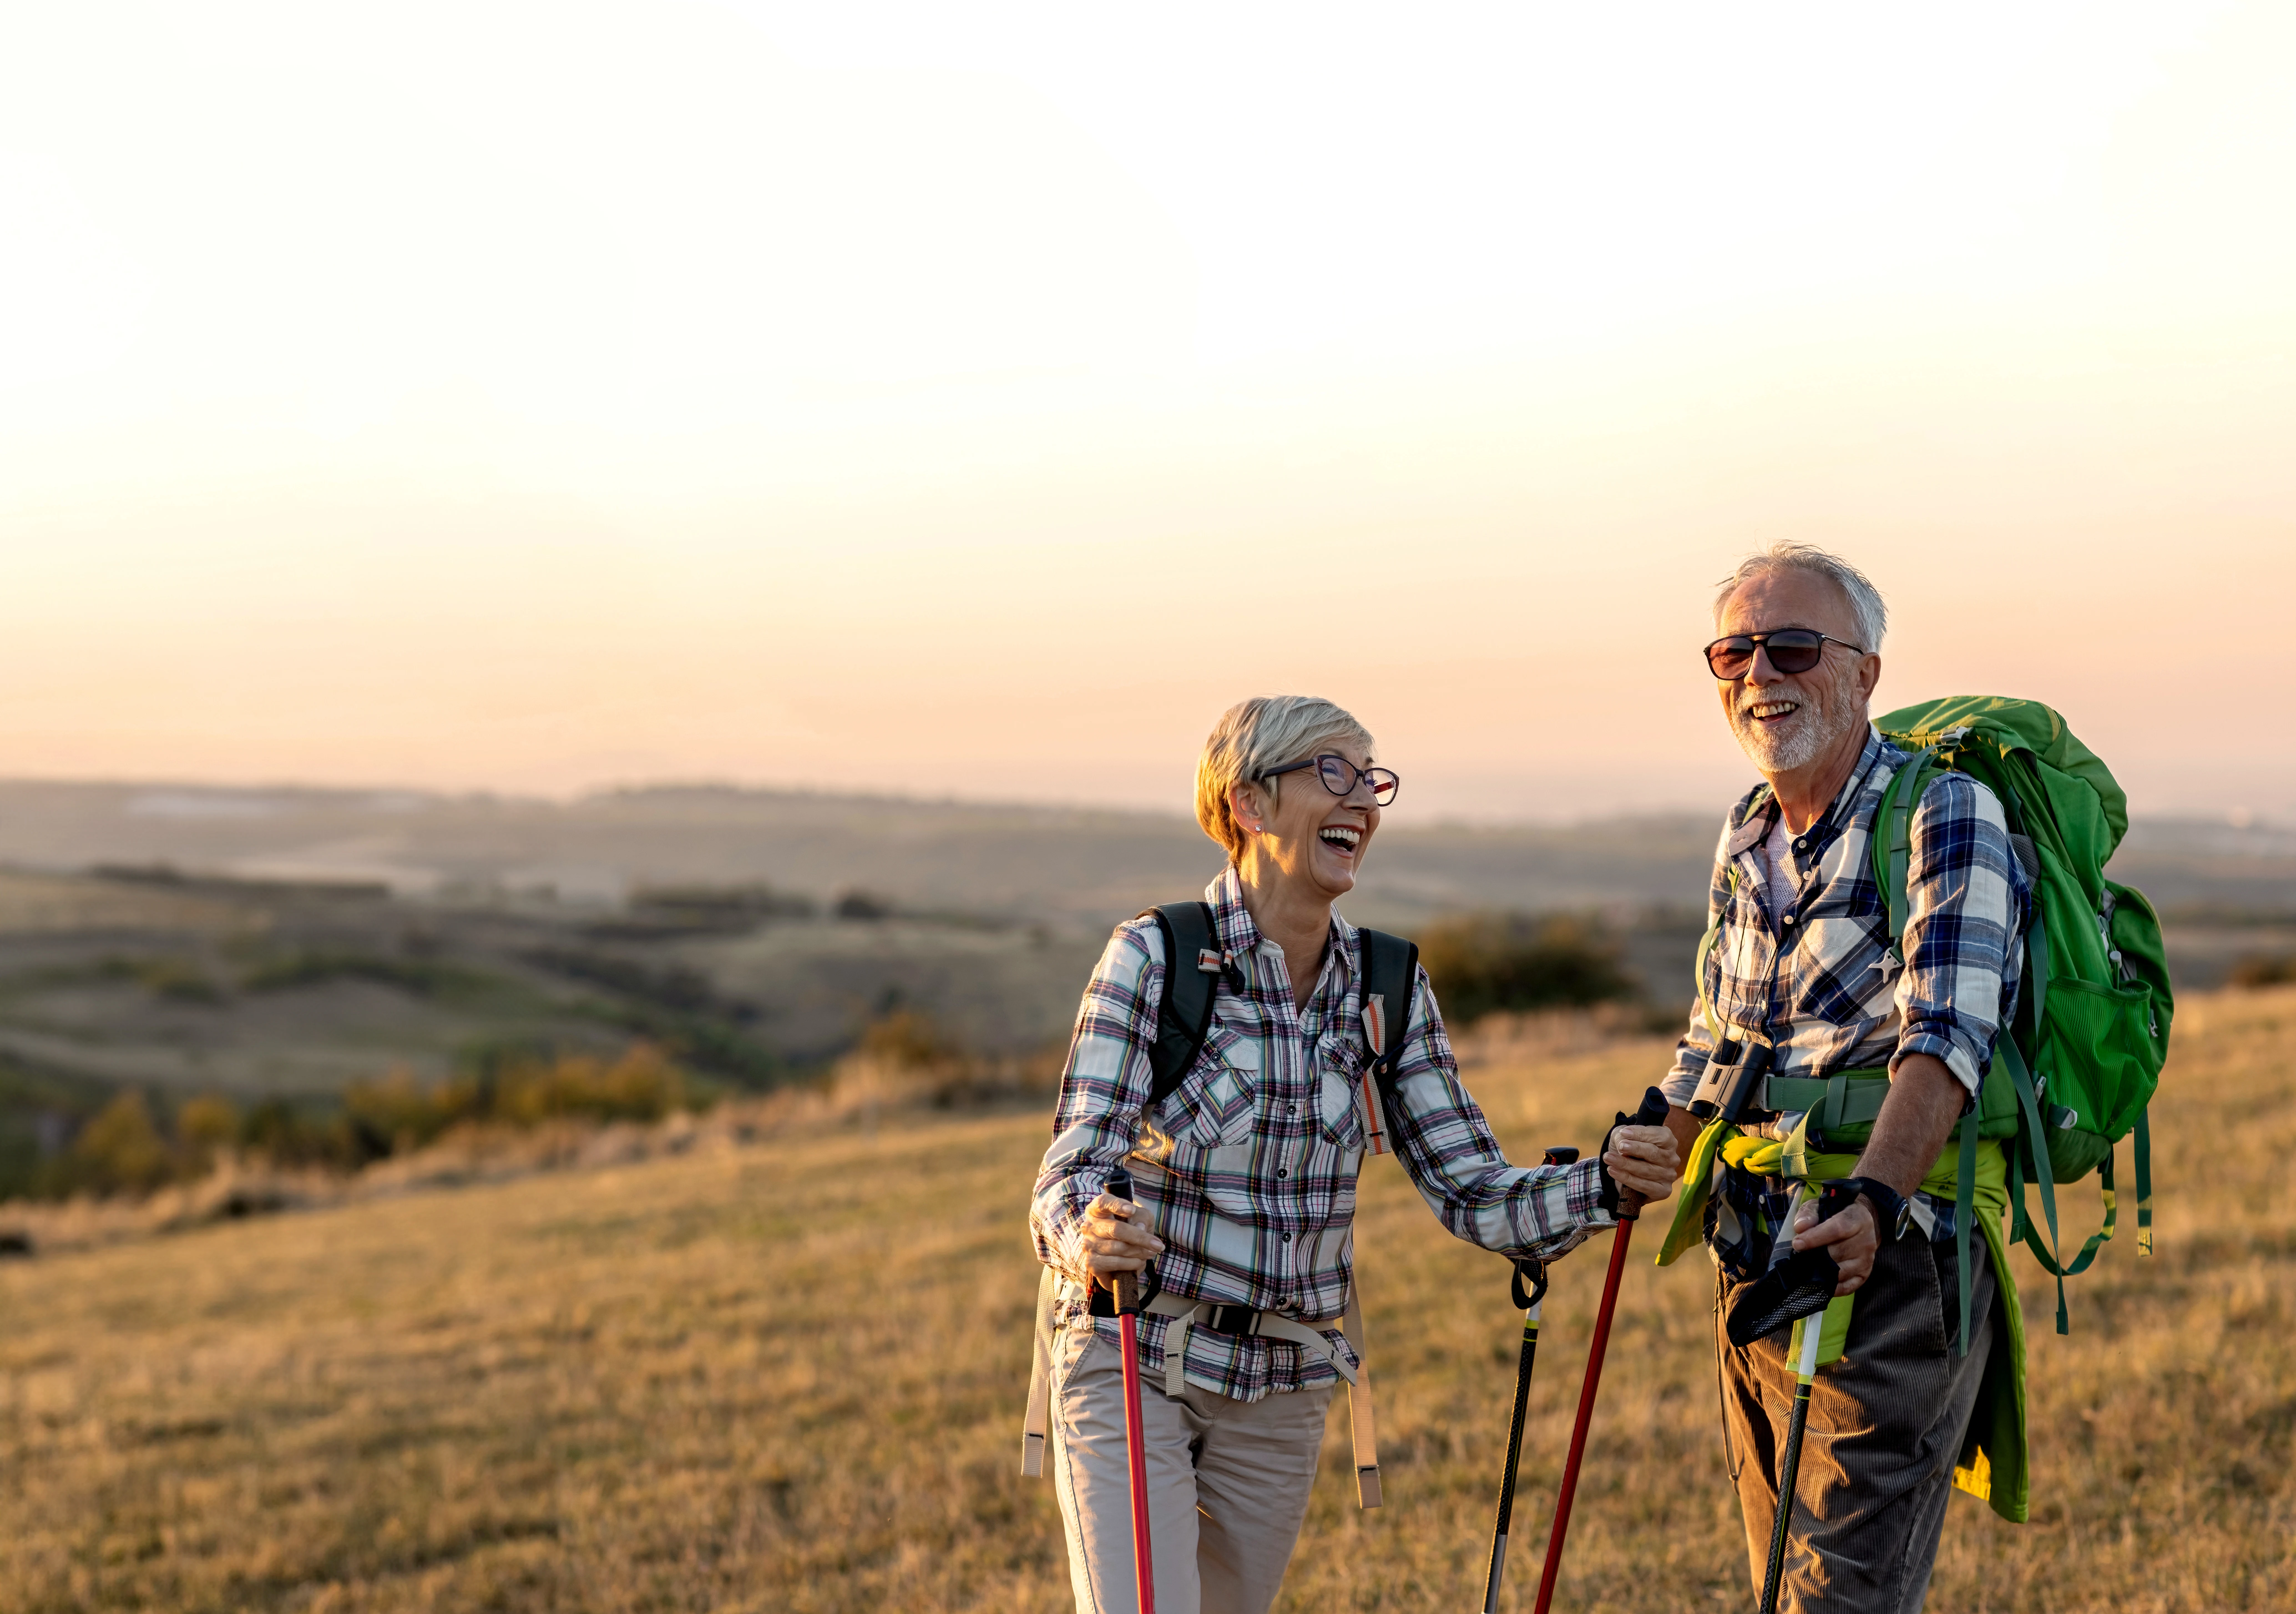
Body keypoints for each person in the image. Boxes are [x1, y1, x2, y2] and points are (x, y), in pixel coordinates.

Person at [1028, 694, 1681, 1614]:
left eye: (1372, 782)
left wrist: (1603, 1185)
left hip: (1284, 1386)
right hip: (1133, 1356)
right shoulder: (1155, 955)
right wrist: (1085, 1233)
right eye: (1332, 774)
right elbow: (1072, 1165)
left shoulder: (1388, 985)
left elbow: (1473, 1192)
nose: (1364, 804)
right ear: (1250, 804)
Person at [1653, 543, 2032, 1611]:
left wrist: (1874, 1199)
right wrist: (1647, 1145)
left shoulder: (1944, 812)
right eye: (1734, 651)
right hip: (1755, 1249)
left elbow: (1946, 1038)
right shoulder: (1748, 829)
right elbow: (1717, 1038)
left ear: (1865, 671)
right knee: (1779, 1582)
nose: (1758, 674)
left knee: (1837, 1597)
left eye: (1792, 647)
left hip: (1892, 1259)